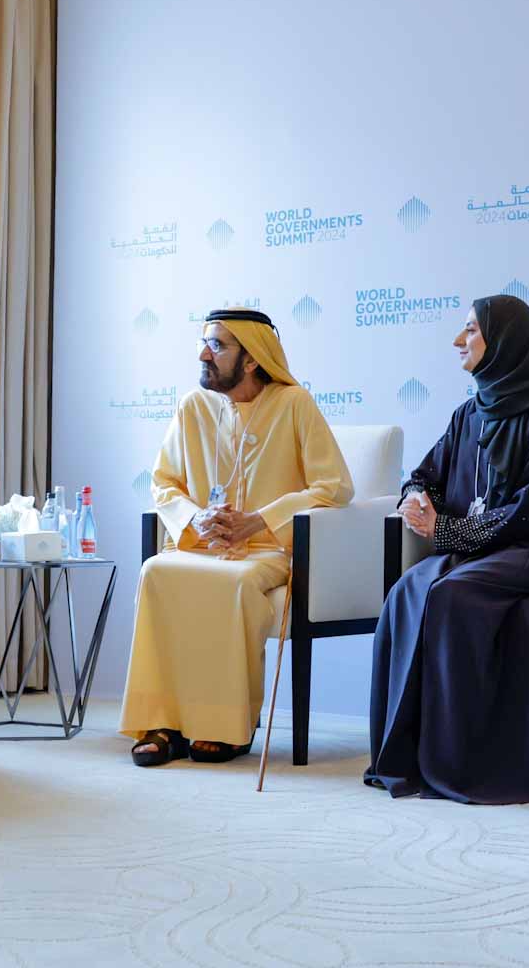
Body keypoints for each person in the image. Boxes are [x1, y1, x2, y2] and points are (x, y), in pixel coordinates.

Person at [365, 294, 529, 803]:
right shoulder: (468, 414)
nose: (457, 340)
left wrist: (446, 531)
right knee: (407, 591)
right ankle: (406, 757)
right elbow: (423, 475)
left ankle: (465, 764)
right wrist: (417, 500)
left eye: (470, 330)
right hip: (474, 551)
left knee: (453, 595)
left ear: (506, 342)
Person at [119, 308, 353, 765]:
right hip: (199, 544)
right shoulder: (193, 406)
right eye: (204, 343)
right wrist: (196, 518)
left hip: (265, 550)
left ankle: (227, 727)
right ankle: (162, 724)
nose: (203, 354)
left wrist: (261, 520)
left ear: (251, 359)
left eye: (217, 345)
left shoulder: (294, 403)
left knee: (236, 582)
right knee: (155, 571)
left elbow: (335, 486)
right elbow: (164, 483)